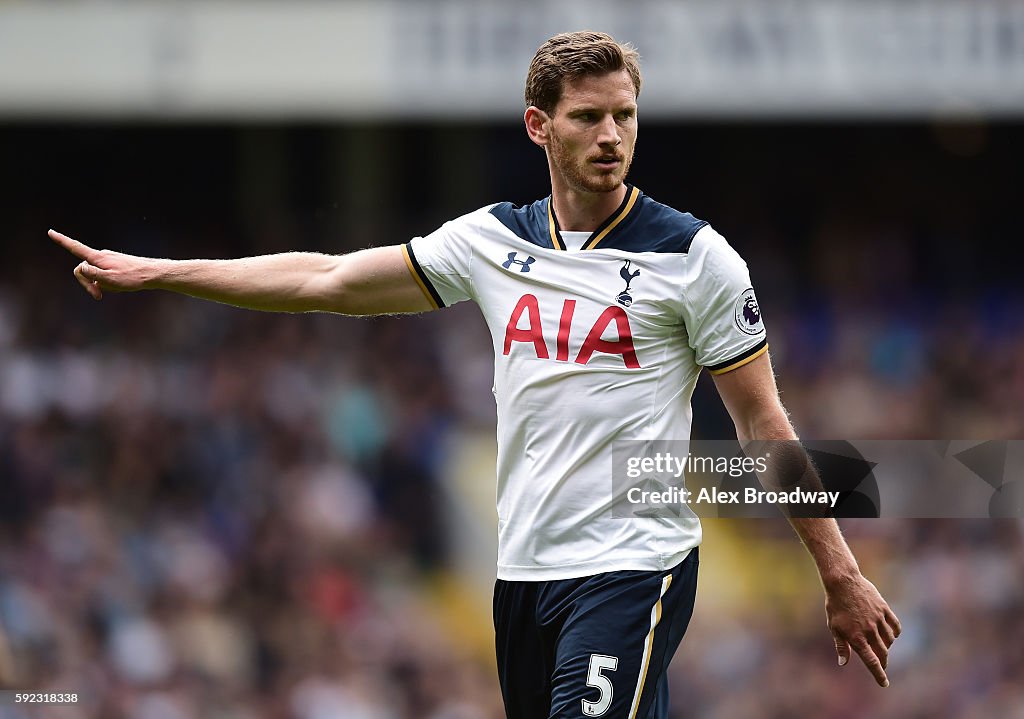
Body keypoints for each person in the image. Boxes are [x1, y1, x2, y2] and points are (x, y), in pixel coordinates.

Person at [52, 30, 900, 719]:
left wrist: (838, 569)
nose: (611, 136)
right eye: (588, 118)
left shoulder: (696, 257)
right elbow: (328, 279)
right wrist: (164, 271)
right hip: (525, 573)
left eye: (625, 117)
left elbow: (763, 425)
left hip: (637, 563)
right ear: (539, 126)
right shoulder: (493, 241)